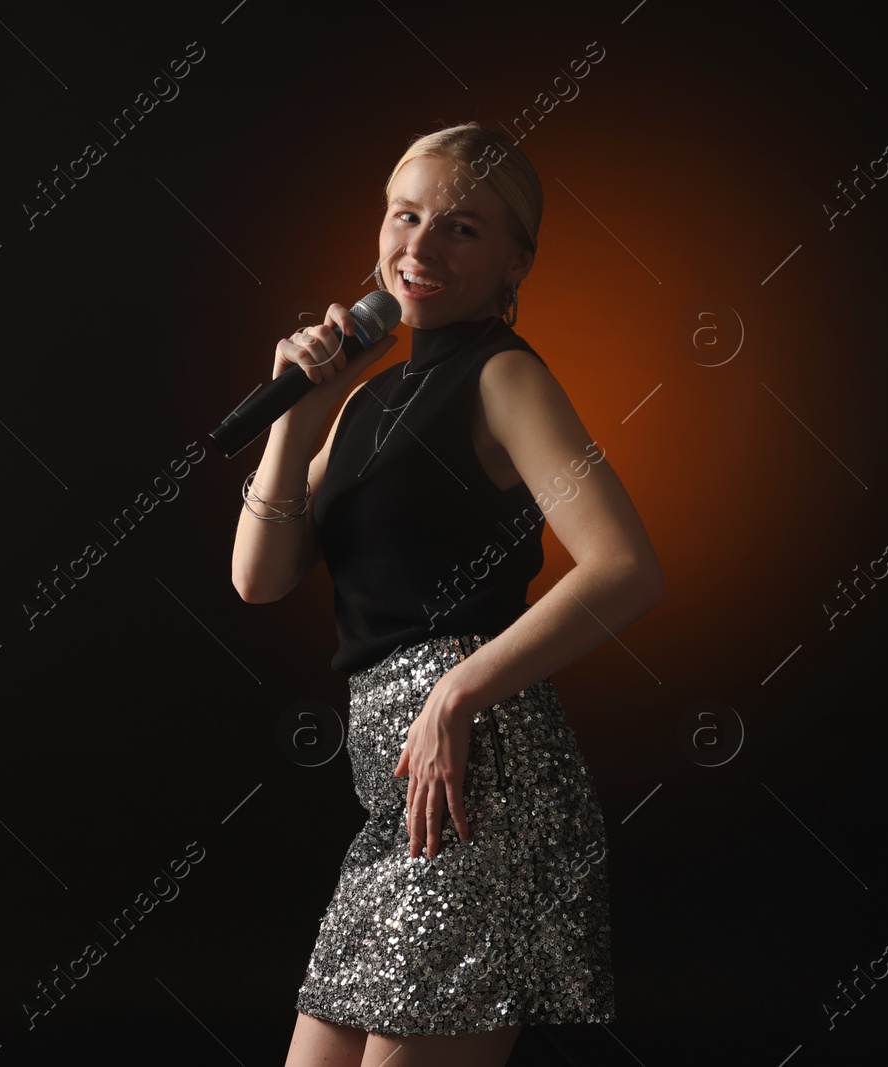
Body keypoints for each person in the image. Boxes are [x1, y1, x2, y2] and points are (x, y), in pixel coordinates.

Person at [231, 122, 664, 1067]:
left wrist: (458, 691)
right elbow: (259, 579)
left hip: (482, 781)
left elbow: (625, 565)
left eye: (462, 228)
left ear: (518, 257)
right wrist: (294, 412)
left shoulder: (503, 376)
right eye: (407, 216)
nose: (421, 247)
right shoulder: (363, 399)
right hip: (396, 804)